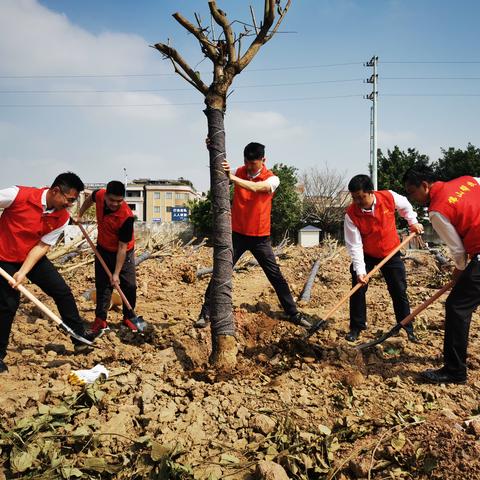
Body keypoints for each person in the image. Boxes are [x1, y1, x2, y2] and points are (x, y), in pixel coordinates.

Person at [195, 141, 312, 330]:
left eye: (253, 164)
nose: (249, 167)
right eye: (247, 163)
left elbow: (257, 188)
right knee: (220, 272)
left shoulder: (272, 179)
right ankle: (205, 313)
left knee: (276, 276)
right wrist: (212, 149)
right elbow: (222, 170)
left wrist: (232, 178)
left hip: (260, 238)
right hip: (237, 236)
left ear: (263, 160)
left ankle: (293, 313)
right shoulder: (239, 171)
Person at [0, 172, 97, 373]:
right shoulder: (17, 195)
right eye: (69, 199)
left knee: (62, 291)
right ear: (55, 191)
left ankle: (78, 337)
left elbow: (42, 246)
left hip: (31, 256)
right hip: (3, 257)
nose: (70, 204)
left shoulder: (61, 217)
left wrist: (23, 272)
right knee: (8, 304)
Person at [403, 165, 480, 384]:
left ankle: (454, 371)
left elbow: (457, 252)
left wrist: (459, 273)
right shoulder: (468, 179)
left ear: (425, 186)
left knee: (457, 307)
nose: (412, 198)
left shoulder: (437, 210)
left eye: (412, 192)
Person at [344, 174, 424, 342]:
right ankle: (357, 327)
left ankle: (405, 326)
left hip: (391, 251)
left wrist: (413, 222)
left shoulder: (388, 197)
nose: (357, 201)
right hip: (367, 253)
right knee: (358, 288)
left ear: (370, 192)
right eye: (354, 198)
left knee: (398, 289)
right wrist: (360, 271)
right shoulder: (351, 214)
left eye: (361, 197)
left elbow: (406, 207)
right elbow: (355, 245)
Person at [77, 180, 138, 334]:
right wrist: (79, 214)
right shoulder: (99, 194)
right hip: (103, 249)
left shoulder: (126, 217)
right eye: (112, 200)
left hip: (124, 251)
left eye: (119, 201)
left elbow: (122, 248)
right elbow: (89, 199)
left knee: (129, 285)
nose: (115, 204)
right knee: (103, 286)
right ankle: (101, 320)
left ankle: (129, 317)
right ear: (106, 196)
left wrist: (116, 273)